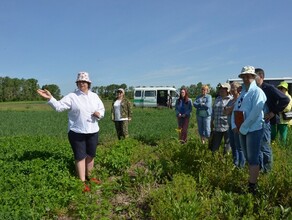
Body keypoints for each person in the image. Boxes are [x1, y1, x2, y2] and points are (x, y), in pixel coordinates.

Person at [37, 71, 105, 192]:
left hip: (93, 131)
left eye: (84, 81)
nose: (81, 83)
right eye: (79, 82)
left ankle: (91, 176)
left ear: (88, 83)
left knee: (91, 155)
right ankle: (82, 182)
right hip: (77, 131)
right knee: (80, 157)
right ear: (77, 83)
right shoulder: (72, 97)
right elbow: (58, 107)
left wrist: (99, 114)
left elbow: (102, 109)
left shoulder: (94, 96)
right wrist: (50, 98)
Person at [231, 66, 266, 194]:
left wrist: (244, 126)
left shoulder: (258, 92)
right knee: (247, 157)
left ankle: (252, 187)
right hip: (242, 129)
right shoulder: (243, 94)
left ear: (253, 77)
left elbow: (256, 112)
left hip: (253, 129)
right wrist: (234, 125)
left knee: (252, 158)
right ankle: (253, 180)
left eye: (249, 76)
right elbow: (236, 109)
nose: (246, 78)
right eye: (244, 76)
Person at [255, 68, 289, 172]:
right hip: (256, 123)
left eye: (254, 77)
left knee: (265, 147)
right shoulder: (254, 89)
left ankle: (267, 171)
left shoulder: (268, 88)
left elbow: (285, 99)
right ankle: (260, 169)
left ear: (261, 77)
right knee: (258, 147)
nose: (252, 79)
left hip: (266, 122)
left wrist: (273, 112)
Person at [224, 82, 245, 168]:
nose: (232, 90)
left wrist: (229, 109)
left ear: (238, 89)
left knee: (239, 147)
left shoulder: (240, 99)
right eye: (231, 88)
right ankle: (235, 163)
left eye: (233, 88)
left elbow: (232, 111)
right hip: (230, 126)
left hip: (237, 126)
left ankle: (241, 165)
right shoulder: (231, 100)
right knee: (233, 146)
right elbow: (225, 112)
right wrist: (229, 109)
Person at [210, 83, 232, 154]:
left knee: (227, 146)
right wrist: (211, 121)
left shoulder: (231, 99)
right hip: (217, 126)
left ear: (227, 90)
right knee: (215, 146)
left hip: (227, 126)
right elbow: (213, 111)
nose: (221, 90)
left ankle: (226, 162)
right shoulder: (217, 99)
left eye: (223, 89)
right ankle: (214, 161)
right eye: (220, 89)